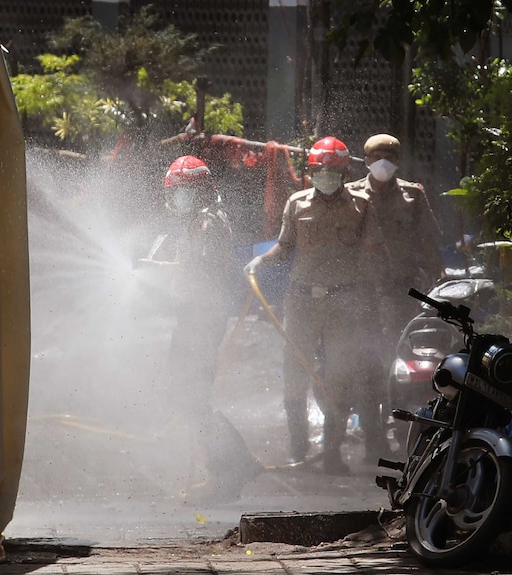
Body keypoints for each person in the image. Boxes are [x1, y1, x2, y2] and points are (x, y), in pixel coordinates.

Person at [244, 137, 373, 475]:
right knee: (295, 376)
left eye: (332, 172)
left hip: (343, 302)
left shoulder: (361, 205)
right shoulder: (297, 203)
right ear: (310, 172)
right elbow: (284, 247)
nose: (325, 177)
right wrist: (260, 261)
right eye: (319, 171)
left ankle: (332, 455)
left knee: (337, 379)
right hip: (301, 302)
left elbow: (372, 254)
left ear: (344, 173)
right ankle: (299, 450)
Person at [143, 155, 262, 502]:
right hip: (196, 316)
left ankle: (232, 469)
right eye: (175, 192)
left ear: (200, 191)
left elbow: (200, 272)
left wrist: (158, 269)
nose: (178, 199)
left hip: (201, 319)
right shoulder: (202, 221)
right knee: (188, 396)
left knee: (191, 397)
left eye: (184, 192)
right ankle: (234, 465)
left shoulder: (208, 223)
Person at [346, 133, 444, 462]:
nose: (382, 162)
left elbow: (429, 240)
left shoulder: (413, 196)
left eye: (389, 156)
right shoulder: (351, 194)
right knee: (365, 367)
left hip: (400, 294)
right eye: (377, 157)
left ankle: (403, 435)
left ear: (398, 160)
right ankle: (373, 439)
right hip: (361, 296)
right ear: (367, 161)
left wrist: (438, 279)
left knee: (400, 366)